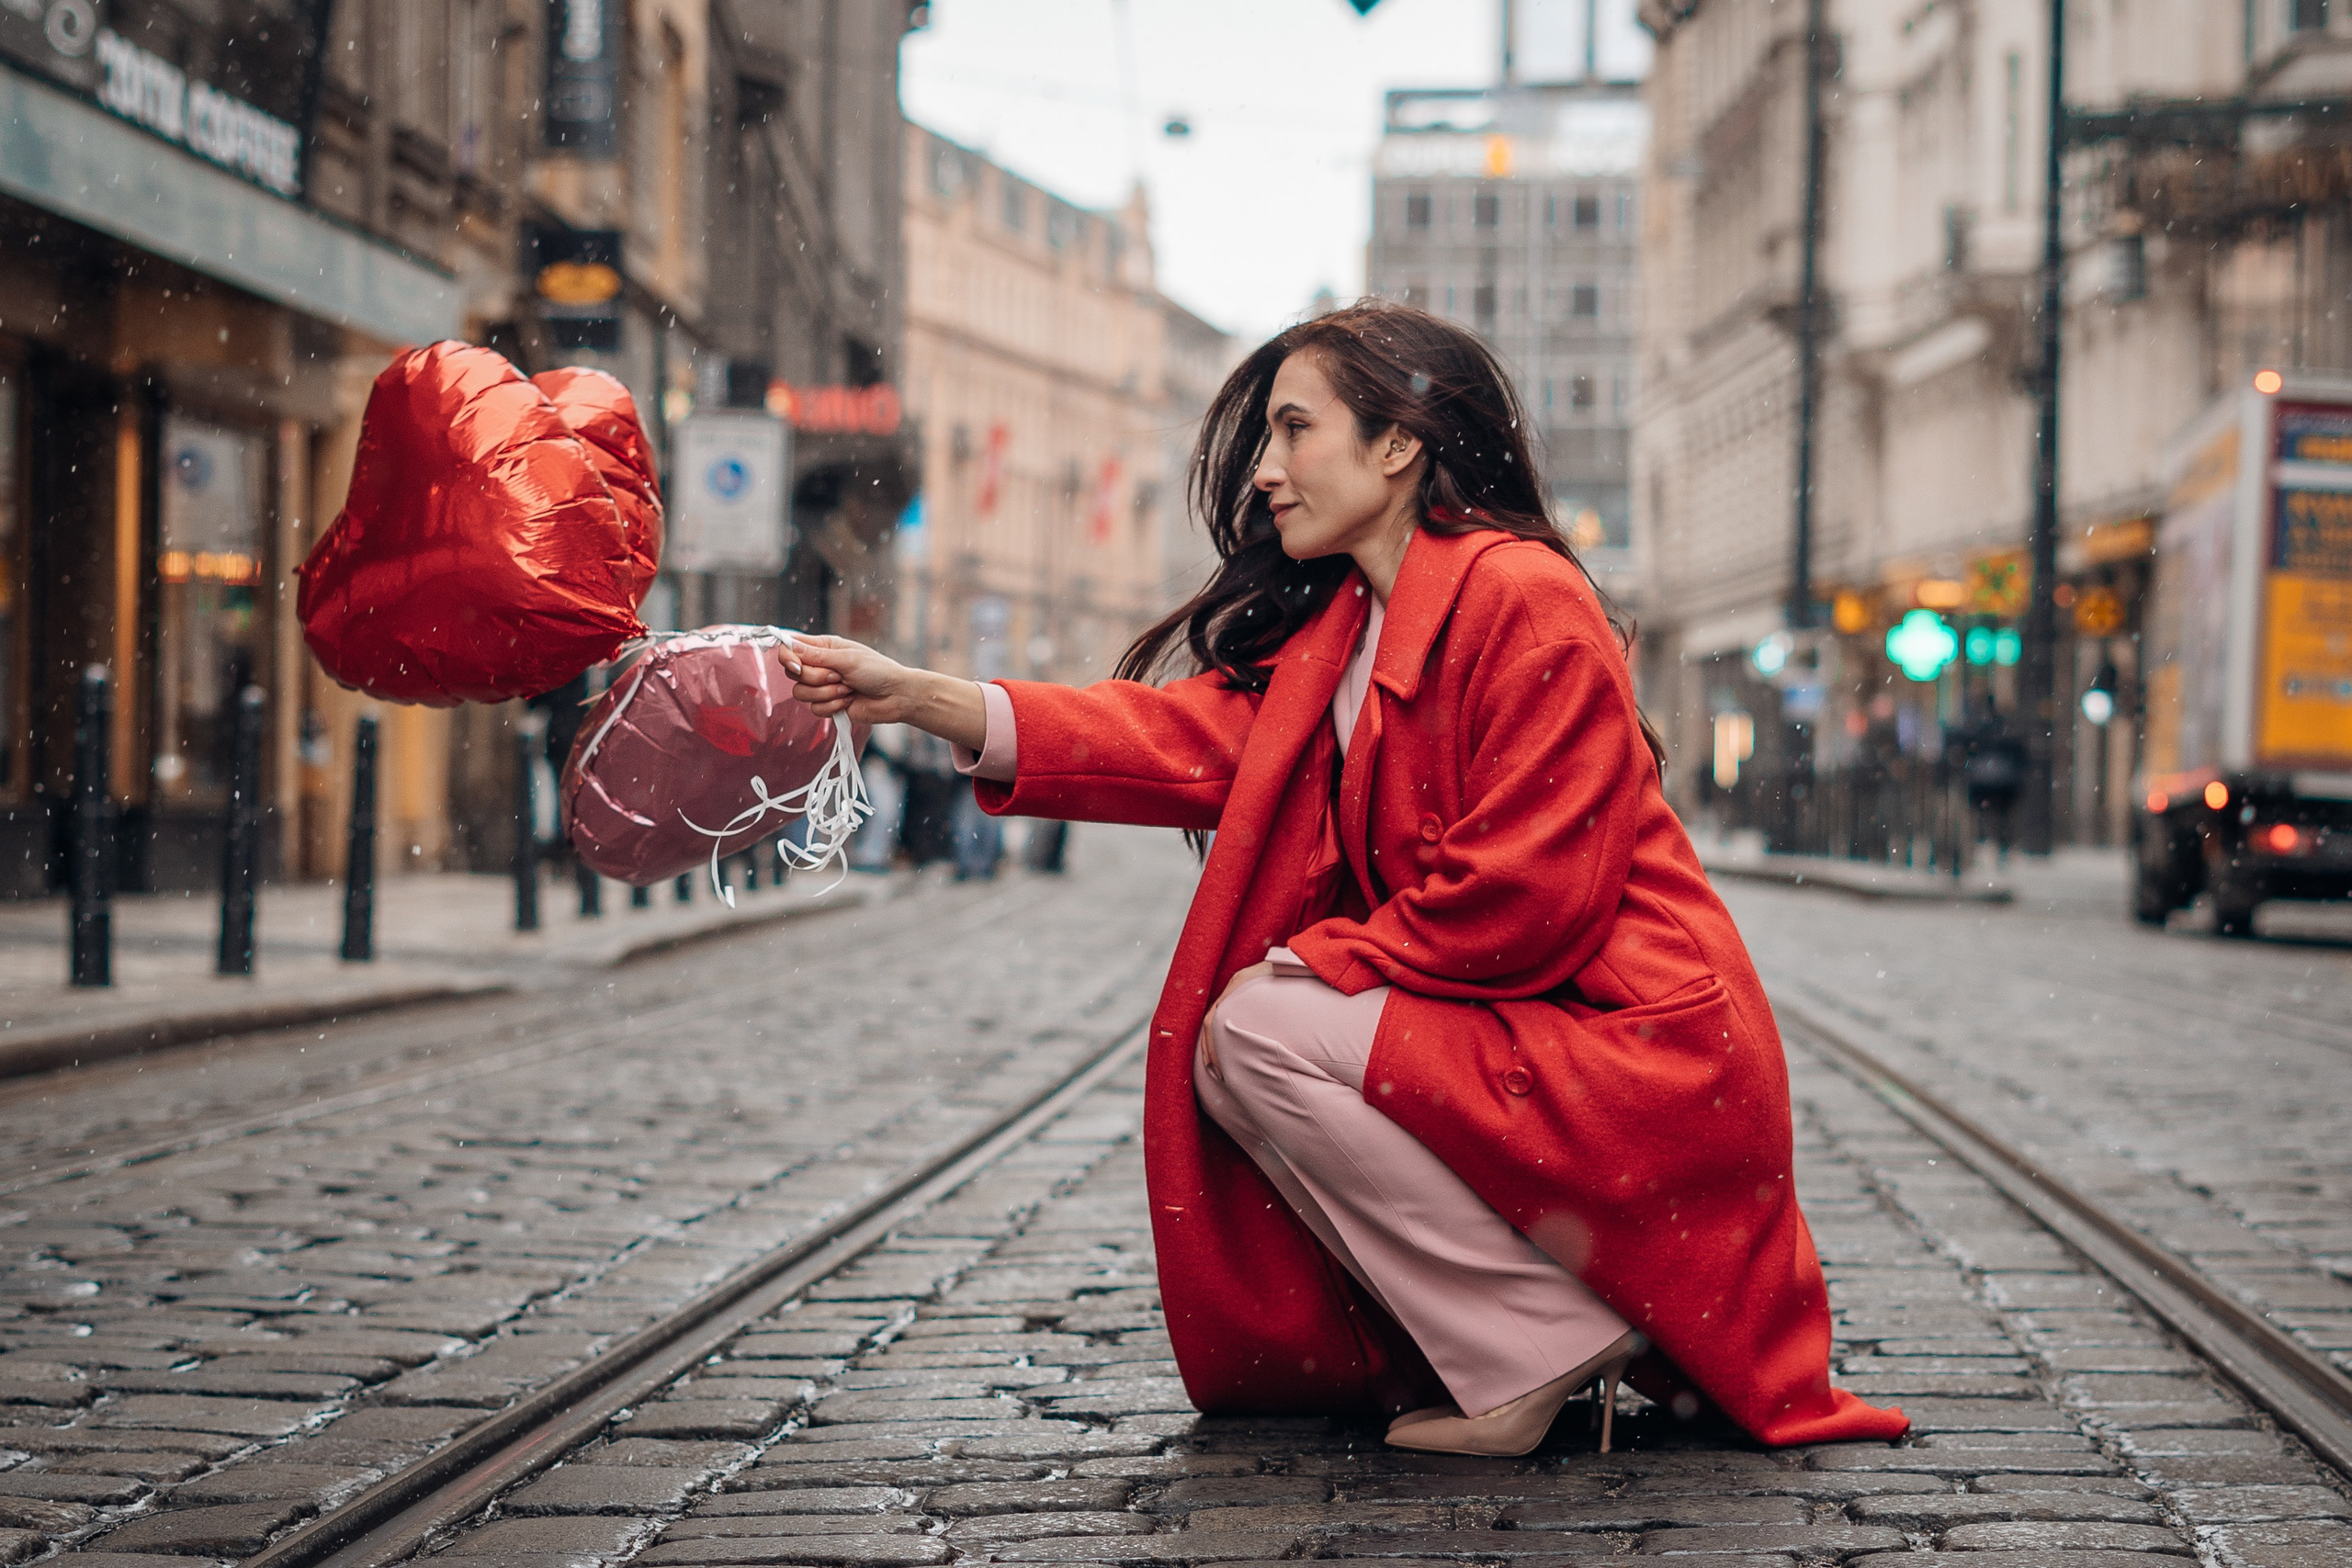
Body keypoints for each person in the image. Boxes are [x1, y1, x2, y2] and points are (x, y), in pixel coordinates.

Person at [783, 301, 1906, 1457]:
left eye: (1294, 430)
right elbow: (1166, 739)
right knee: (1243, 1041)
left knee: (1262, 1026)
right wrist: (916, 695)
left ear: (1397, 445)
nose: (1266, 471)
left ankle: (1534, 1340)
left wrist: (1327, 961)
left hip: (1637, 1050)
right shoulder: (1345, 630)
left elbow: (1530, 894)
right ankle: (1530, 1331)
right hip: (1540, 1031)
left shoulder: (1524, 597)